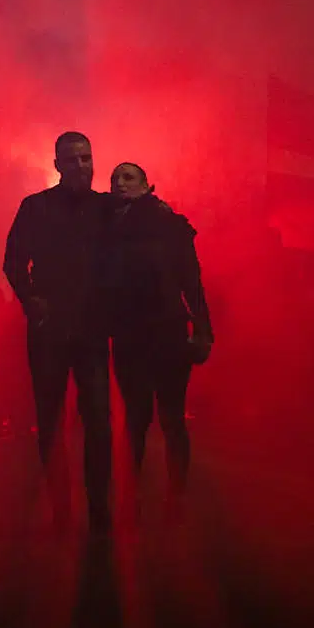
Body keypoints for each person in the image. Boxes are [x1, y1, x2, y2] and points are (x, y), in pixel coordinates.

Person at [2, 131, 115, 532]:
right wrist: (32, 301)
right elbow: (14, 261)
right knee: (51, 423)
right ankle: (63, 509)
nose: (81, 166)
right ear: (57, 165)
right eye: (72, 160)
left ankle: (97, 509)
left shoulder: (106, 207)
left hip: (90, 330)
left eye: (85, 158)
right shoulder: (36, 207)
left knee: (98, 424)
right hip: (50, 332)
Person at [104, 162, 213, 524]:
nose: (120, 183)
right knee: (137, 419)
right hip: (131, 334)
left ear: (146, 185)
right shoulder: (109, 226)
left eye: (128, 177)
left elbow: (191, 281)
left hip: (165, 332)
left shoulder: (169, 225)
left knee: (170, 417)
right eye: (115, 178)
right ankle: (133, 496)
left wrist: (203, 329)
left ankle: (174, 495)